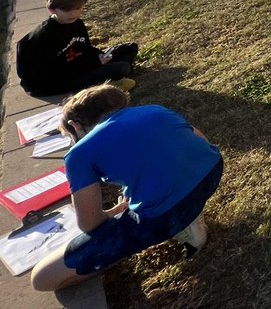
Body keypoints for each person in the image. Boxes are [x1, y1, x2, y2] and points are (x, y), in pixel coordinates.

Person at [30, 85, 223, 292]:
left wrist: (114, 212)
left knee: (42, 278)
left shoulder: (78, 153)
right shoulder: (155, 109)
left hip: (167, 213)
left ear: (75, 126)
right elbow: (200, 141)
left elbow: (89, 224)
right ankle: (188, 216)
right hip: (211, 173)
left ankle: (182, 225)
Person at [16, 0, 138, 97]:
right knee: (121, 68)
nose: (73, 13)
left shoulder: (77, 23)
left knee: (130, 47)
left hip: (79, 65)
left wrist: (99, 56)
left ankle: (106, 80)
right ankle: (106, 83)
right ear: (52, 10)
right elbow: (51, 73)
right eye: (67, 10)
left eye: (78, 8)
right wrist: (95, 63)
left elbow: (84, 48)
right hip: (54, 82)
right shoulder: (43, 36)